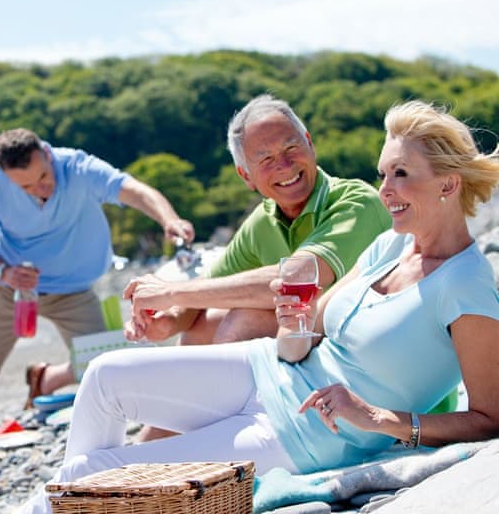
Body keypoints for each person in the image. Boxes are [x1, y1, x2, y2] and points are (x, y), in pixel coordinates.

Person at [5, 101, 499, 514]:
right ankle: (87, 510)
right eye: (383, 174)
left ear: (448, 185)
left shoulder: (467, 286)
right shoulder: (392, 245)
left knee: (91, 475)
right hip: (268, 369)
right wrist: (293, 326)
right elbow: (312, 323)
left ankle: (72, 507)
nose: (384, 189)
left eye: (400, 175)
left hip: (304, 436)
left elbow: (488, 418)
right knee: (105, 376)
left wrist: (381, 419)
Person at [126, 93, 391, 441]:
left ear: (310, 144)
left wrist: (171, 290)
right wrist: (166, 320)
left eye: (291, 148)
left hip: (373, 368)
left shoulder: (356, 202)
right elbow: (199, 302)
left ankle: (223, 442)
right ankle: (148, 451)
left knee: (243, 321)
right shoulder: (262, 222)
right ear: (246, 175)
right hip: (311, 355)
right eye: (265, 158)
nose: (284, 165)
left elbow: (295, 280)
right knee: (203, 325)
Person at [0, 128, 194, 406]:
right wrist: (5, 272)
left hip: (71, 289)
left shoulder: (78, 167)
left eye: (43, 177)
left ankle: (47, 378)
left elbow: (134, 191)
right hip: (8, 287)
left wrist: (168, 219)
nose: (40, 189)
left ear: (48, 155)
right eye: (26, 187)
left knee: (106, 364)